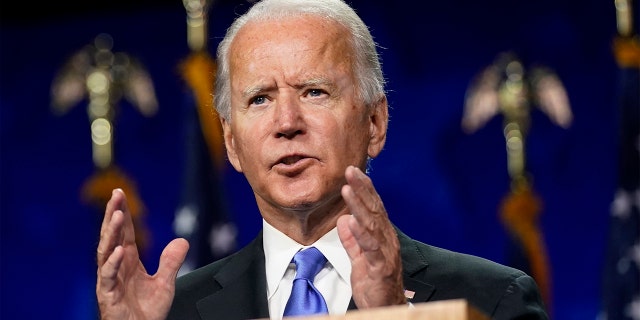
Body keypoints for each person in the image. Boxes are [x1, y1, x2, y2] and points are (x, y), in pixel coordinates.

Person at [96, 0, 549, 319]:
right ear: (231, 143)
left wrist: (393, 315)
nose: (286, 122)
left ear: (374, 123)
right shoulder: (170, 312)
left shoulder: (495, 299)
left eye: (314, 91)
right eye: (259, 99)